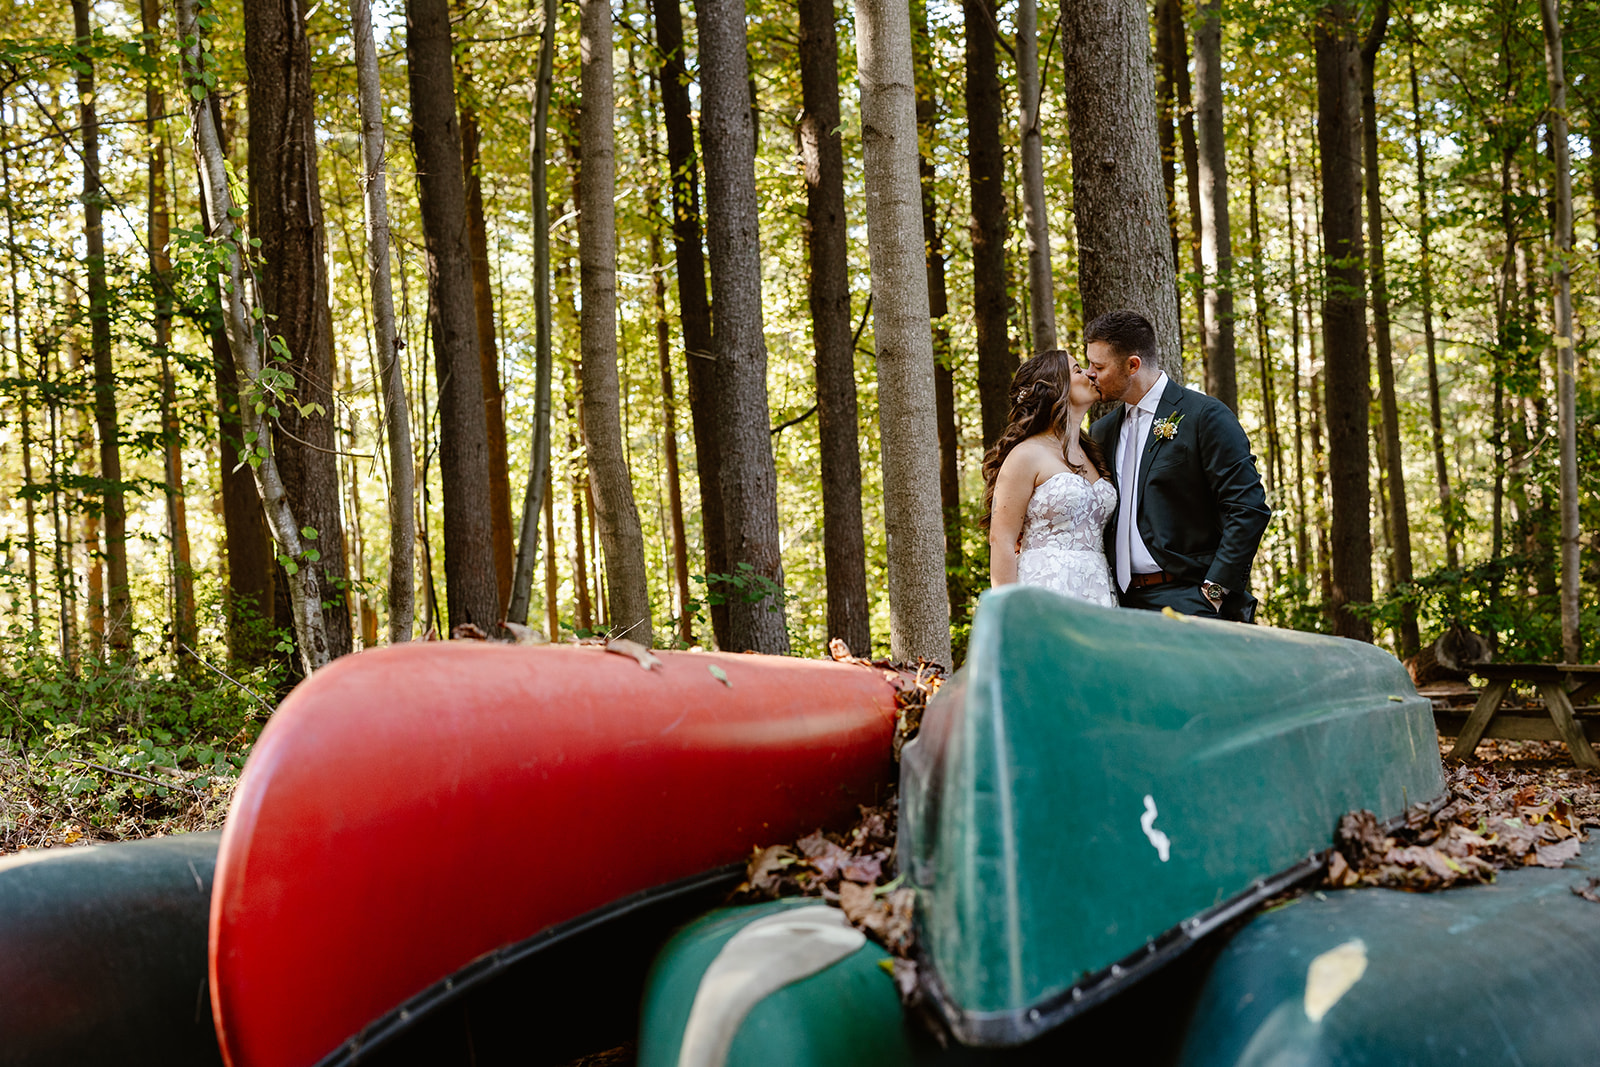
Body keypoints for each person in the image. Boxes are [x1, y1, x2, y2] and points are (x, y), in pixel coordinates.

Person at [1084, 309, 1271, 621]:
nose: (1090, 373)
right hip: (1120, 604)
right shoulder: (1103, 431)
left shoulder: (1204, 416)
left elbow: (1248, 507)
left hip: (1189, 600)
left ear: (1132, 365)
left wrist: (1215, 591)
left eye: (1099, 366)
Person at [982, 350, 1119, 608]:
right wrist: (1010, 613)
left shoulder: (1094, 453)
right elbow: (1001, 540)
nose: (1090, 373)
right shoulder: (1025, 455)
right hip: (1046, 589)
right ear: (1055, 388)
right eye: (1078, 370)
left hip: (1097, 587)